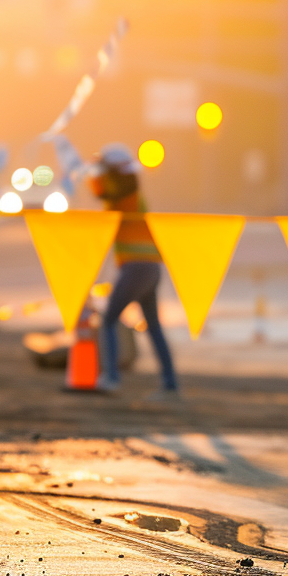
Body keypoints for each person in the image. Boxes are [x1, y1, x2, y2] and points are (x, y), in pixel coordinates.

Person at [88, 144, 179, 397]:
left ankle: (112, 377)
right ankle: (170, 383)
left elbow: (103, 192)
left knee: (108, 320)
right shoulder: (132, 197)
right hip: (150, 268)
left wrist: (97, 175)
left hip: (135, 269)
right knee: (154, 327)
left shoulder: (123, 198)